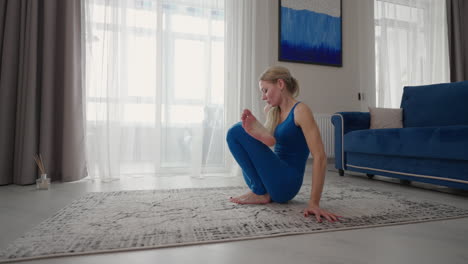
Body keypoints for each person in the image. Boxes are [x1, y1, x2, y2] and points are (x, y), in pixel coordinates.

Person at [226, 66, 340, 223]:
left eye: (265, 90)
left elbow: (320, 157)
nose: (263, 97)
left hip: (287, 182)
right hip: (271, 179)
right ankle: (260, 190)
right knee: (235, 133)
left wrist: (314, 203)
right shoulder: (272, 111)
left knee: (237, 130)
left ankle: (259, 192)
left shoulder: (301, 111)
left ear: (280, 84)